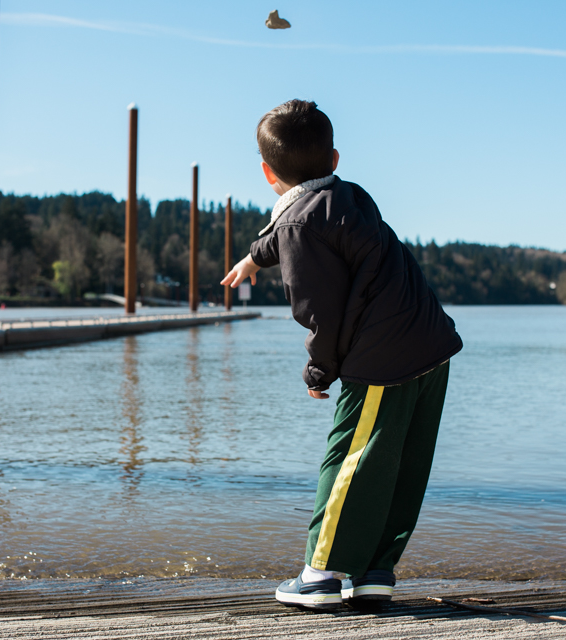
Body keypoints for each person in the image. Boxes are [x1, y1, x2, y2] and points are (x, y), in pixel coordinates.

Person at [222, 99, 463, 609]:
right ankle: (374, 573)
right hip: (430, 342)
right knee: (398, 463)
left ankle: (323, 575)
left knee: (352, 457)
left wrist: (319, 370)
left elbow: (320, 313)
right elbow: (298, 232)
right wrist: (252, 258)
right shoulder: (350, 197)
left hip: (383, 354)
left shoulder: (296, 226)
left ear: (267, 173)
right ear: (334, 161)